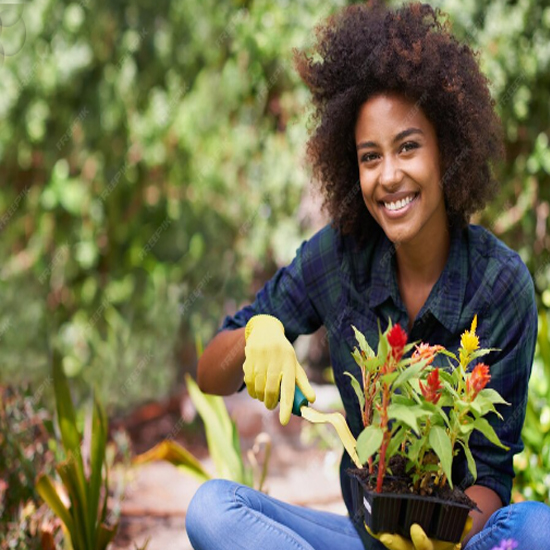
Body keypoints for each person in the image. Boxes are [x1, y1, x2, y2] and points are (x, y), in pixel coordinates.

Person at [185, 1, 550, 549]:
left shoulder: (500, 284)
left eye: (408, 147)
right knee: (213, 509)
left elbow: (491, 477)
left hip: (455, 544)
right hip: (363, 540)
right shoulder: (337, 258)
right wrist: (256, 333)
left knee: (538, 529)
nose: (389, 175)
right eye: (369, 157)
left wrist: (441, 539)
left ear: (446, 148)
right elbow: (210, 373)